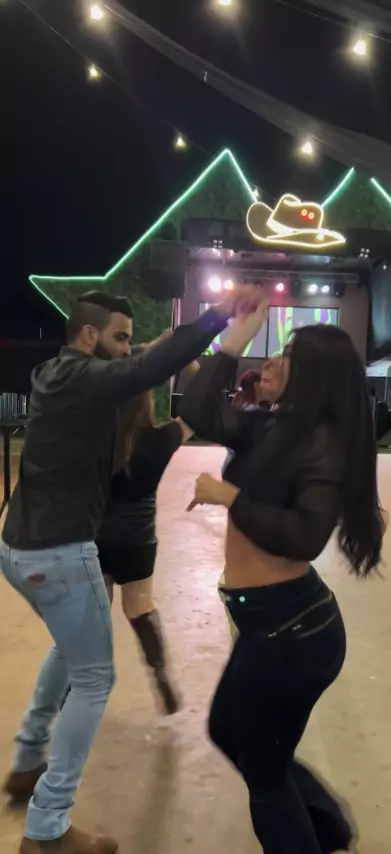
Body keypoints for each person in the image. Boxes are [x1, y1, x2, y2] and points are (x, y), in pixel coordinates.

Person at [0, 288, 256, 854]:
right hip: (62, 553)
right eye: (119, 337)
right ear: (89, 335)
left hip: (18, 548)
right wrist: (221, 320)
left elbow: (139, 361)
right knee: (95, 679)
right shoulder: (94, 383)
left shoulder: (52, 373)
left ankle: (27, 758)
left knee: (70, 650)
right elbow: (151, 372)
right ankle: (47, 828)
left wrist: (153, 346)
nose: (127, 348)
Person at [179, 304, 385, 854]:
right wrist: (234, 338)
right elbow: (198, 411)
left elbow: (305, 537)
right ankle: (327, 829)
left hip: (293, 631)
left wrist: (233, 498)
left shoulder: (324, 442)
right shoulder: (270, 425)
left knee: (265, 777)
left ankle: (316, 832)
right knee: (227, 732)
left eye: (288, 355)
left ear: (315, 373)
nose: (272, 359)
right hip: (264, 623)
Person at [96, 361, 200, 715]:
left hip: (96, 537)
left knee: (94, 612)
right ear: (146, 402)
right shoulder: (161, 438)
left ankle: (75, 682)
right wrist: (192, 367)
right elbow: (202, 412)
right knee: (139, 606)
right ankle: (158, 670)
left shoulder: (95, 438)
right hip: (137, 541)